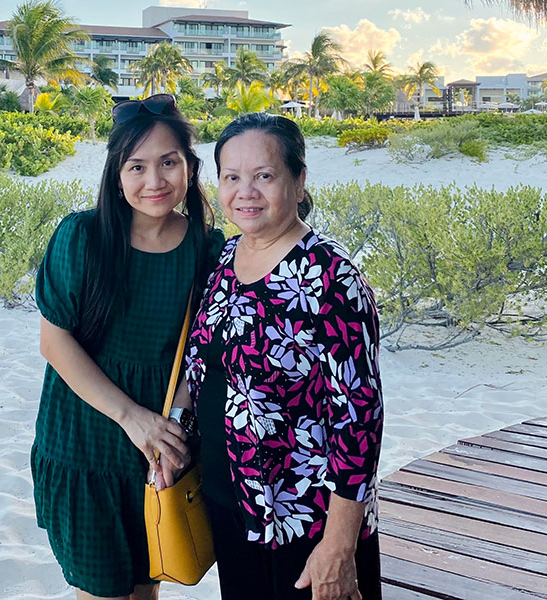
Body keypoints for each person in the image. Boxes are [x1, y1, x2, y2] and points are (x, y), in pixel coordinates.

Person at [163, 113, 384, 600]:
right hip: (234, 507)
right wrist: (174, 429)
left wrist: (339, 543)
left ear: (299, 180)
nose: (246, 192)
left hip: (307, 523)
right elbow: (201, 363)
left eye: (264, 176)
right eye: (232, 178)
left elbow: (360, 418)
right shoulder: (226, 259)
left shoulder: (331, 277)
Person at [30, 94, 224, 600]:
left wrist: (172, 430)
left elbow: (199, 354)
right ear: (116, 174)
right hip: (84, 441)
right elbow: (55, 342)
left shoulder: (207, 248)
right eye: (136, 166)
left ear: (190, 167)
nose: (154, 181)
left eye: (168, 163)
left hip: (158, 447)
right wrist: (130, 417)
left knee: (146, 589)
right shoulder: (83, 237)